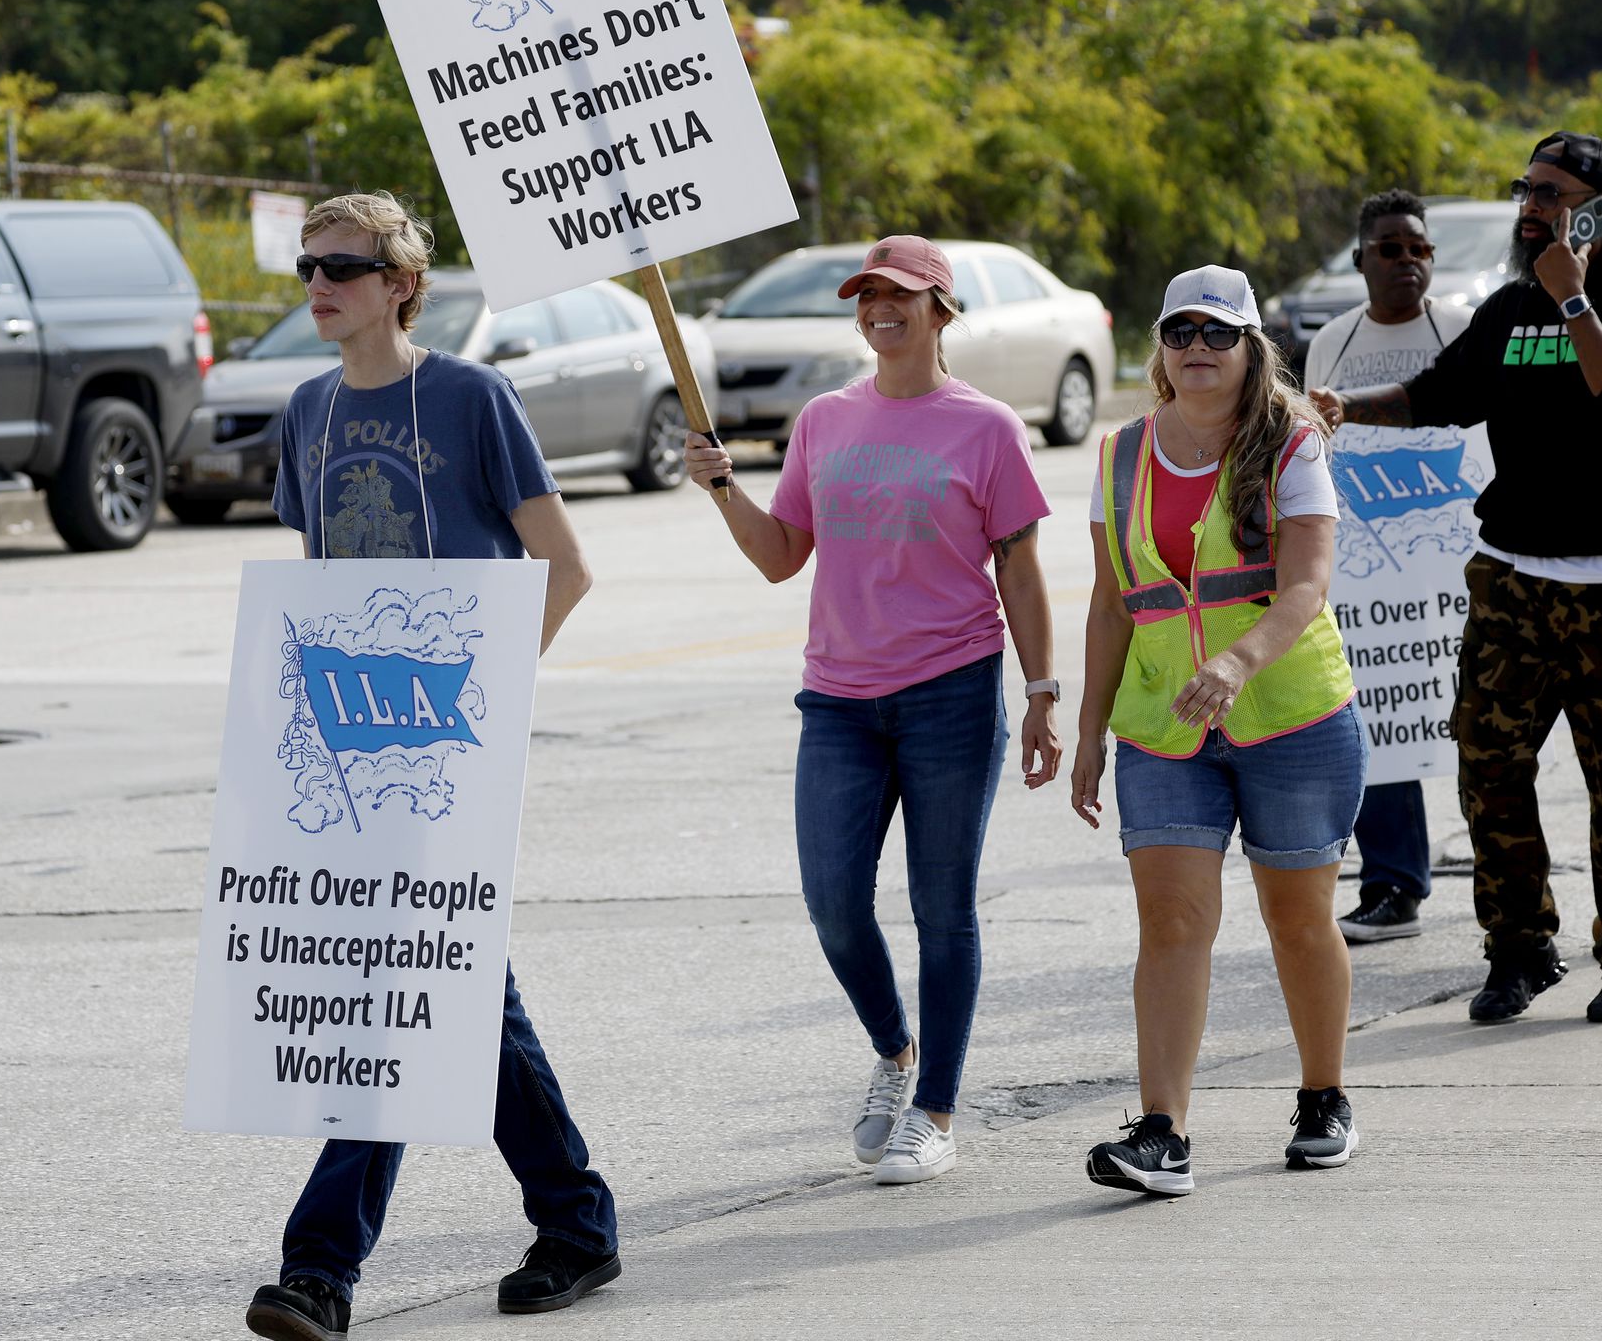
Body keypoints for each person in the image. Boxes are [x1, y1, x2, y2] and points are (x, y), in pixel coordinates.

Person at [244, 193, 618, 1341]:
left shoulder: (470, 397)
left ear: (401, 281)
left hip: (448, 743)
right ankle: (577, 1222)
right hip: (347, 752)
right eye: (309, 265)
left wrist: (483, 701)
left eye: (345, 265)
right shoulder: (307, 410)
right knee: (451, 989)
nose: (321, 282)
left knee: (400, 987)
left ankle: (320, 1270)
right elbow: (318, 590)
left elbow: (565, 565)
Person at [682, 234, 1059, 1187]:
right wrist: (724, 488)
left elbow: (1018, 567)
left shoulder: (986, 427)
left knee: (943, 909)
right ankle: (895, 1055)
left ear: (941, 309)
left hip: (951, 694)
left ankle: (935, 1112)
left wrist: (1044, 693)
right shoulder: (823, 421)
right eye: (867, 295)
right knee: (835, 904)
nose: (879, 308)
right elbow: (781, 556)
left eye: (900, 294)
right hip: (841, 702)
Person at [1310, 131, 1602, 1026]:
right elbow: (1441, 391)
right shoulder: (1509, 307)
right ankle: (1520, 951)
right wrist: (1349, 408)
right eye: (1525, 189)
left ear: (1601, 209)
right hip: (1515, 583)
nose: (1531, 207)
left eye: (1553, 194)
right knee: (1490, 770)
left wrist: (1573, 303)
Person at [1072, 266, 1365, 1197]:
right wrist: (1087, 729)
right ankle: (1164, 1133)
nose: (1198, 348)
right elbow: (1112, 604)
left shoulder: (1292, 446)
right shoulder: (1120, 455)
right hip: (1165, 725)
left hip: (1289, 716)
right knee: (1170, 922)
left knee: (1297, 920)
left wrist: (1237, 664)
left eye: (1219, 333)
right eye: (1180, 332)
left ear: (1250, 349)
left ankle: (1324, 1097)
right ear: (1161, 349)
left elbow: (1307, 585)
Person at [1303, 190, 1473, 945]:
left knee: (1479, 728)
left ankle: (1508, 889)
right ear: (1359, 259)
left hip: (1461, 569)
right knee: (1381, 722)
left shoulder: (1465, 331)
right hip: (1369, 579)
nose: (1409, 263)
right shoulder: (1331, 346)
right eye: (1391, 249)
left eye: (1420, 250)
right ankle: (1393, 886)